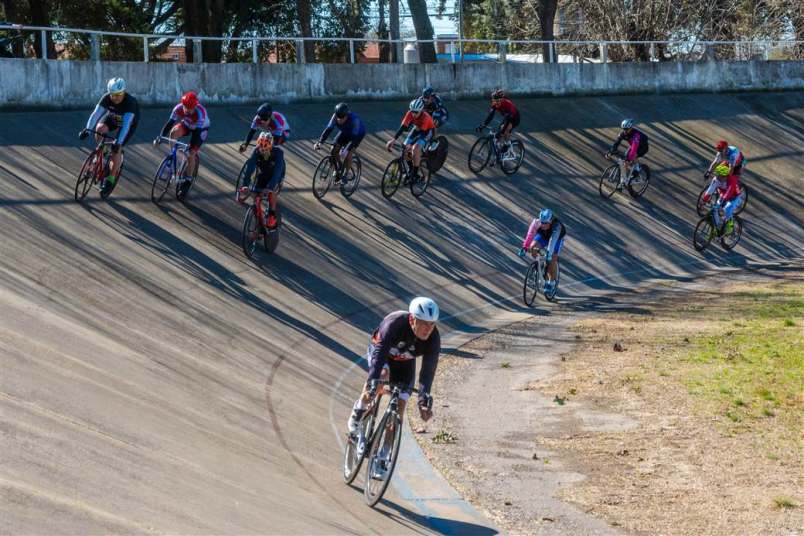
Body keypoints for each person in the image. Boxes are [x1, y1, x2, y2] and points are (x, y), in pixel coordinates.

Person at [347, 297, 439, 458]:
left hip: (404, 363)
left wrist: (423, 402)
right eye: (424, 323)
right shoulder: (394, 324)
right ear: (412, 319)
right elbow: (379, 355)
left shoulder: (433, 339)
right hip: (382, 354)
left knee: (401, 405)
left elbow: (427, 371)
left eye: (432, 324)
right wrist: (372, 382)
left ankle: (384, 454)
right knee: (381, 377)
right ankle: (359, 409)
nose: (428, 328)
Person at [79, 77, 140, 192]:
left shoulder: (130, 103)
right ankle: (102, 151)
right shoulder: (107, 98)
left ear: (123, 92)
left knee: (116, 149)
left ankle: (111, 179)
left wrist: (118, 143)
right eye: (112, 94)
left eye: (118, 94)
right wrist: (87, 130)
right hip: (114, 117)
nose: (114, 97)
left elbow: (126, 125)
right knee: (99, 128)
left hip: (128, 123)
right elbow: (95, 114)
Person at [156, 91, 209, 183]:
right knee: (173, 133)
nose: (187, 110)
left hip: (201, 129)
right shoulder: (178, 108)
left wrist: (191, 147)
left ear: (195, 106)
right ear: (182, 104)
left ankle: (188, 178)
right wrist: (160, 137)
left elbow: (196, 133)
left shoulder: (200, 113)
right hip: (187, 124)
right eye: (185, 107)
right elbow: (170, 123)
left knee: (191, 153)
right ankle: (172, 157)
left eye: (190, 108)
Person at [237, 132, 284, 229]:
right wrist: (245, 185)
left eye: (265, 148)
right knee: (256, 195)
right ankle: (257, 219)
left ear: (270, 146)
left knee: (271, 192)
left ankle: (271, 215)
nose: (262, 150)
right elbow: (249, 169)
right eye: (260, 147)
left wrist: (270, 188)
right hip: (263, 173)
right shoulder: (256, 151)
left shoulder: (278, 153)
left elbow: (277, 172)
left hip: (276, 174)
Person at [313, 102, 365, 183]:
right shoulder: (335, 117)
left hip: (357, 135)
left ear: (347, 116)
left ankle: (345, 174)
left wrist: (347, 150)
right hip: (345, 132)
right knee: (333, 149)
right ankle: (338, 168)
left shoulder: (354, 120)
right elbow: (328, 129)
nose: (339, 120)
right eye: (338, 118)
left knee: (348, 154)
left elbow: (354, 139)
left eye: (342, 118)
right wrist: (320, 142)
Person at [385, 98, 435, 181]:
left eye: (416, 112)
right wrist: (393, 140)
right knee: (405, 150)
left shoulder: (426, 117)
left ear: (421, 110)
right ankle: (411, 169)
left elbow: (421, 135)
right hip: (418, 128)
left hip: (427, 131)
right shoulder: (409, 113)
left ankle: (415, 174)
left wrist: (411, 145)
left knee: (415, 148)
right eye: (412, 111)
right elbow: (403, 127)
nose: (414, 114)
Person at [518, 208, 566, 293]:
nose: (543, 225)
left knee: (552, 259)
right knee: (532, 247)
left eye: (545, 223)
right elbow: (530, 234)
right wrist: (525, 247)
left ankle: (551, 282)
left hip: (556, 238)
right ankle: (539, 266)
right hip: (543, 236)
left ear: (550, 221)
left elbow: (552, 241)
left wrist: (549, 254)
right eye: (542, 222)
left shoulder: (557, 226)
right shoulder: (536, 223)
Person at [702, 162, 743, 234]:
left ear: (725, 176)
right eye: (717, 175)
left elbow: (729, 192)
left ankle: (730, 226)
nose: (718, 177)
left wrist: (723, 201)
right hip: (723, 195)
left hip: (734, 197)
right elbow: (710, 190)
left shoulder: (732, 180)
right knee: (714, 209)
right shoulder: (716, 179)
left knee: (727, 208)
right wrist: (704, 200)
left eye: (720, 176)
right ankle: (717, 227)